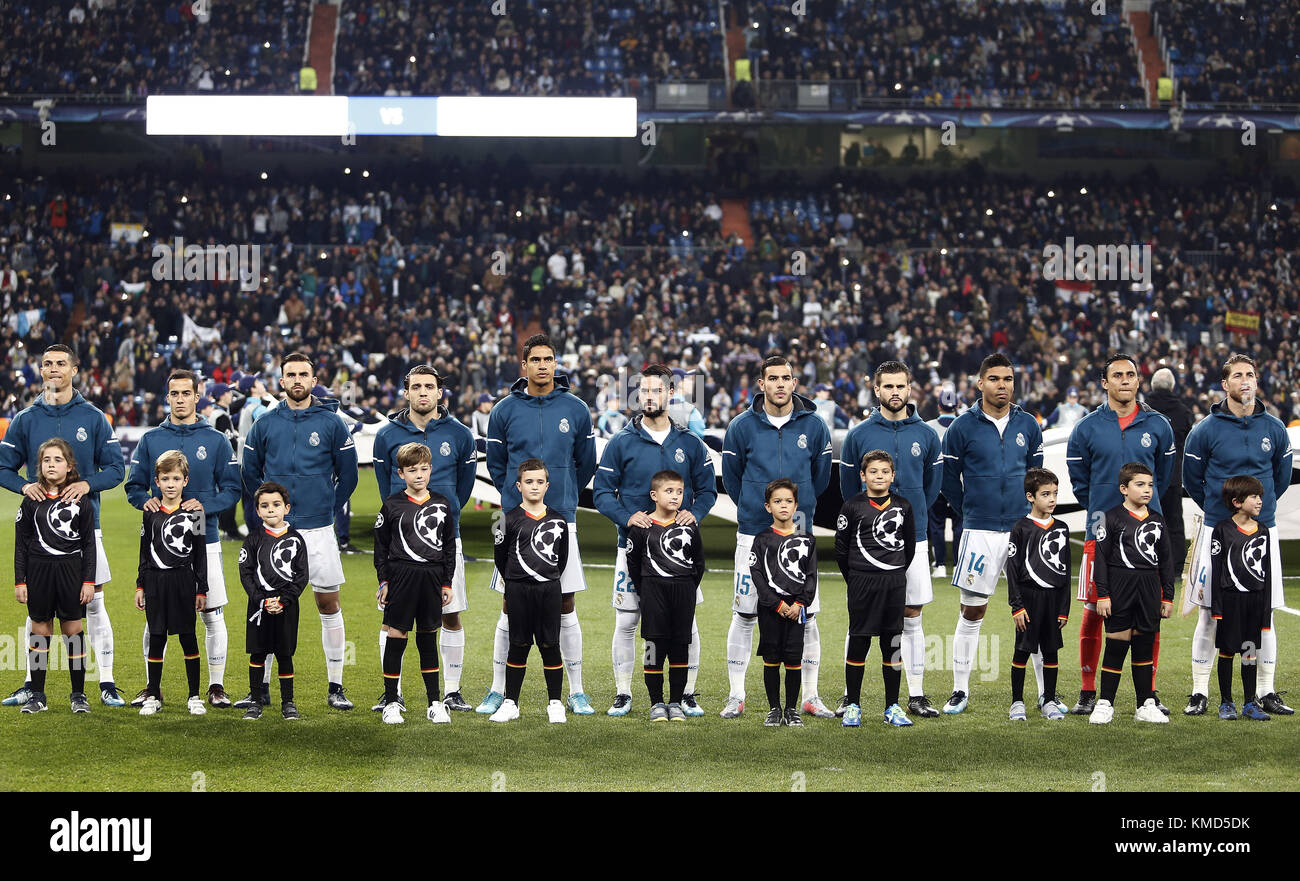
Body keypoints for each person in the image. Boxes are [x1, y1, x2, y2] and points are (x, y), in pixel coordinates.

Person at [0, 344, 126, 709]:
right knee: (37, 612)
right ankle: (30, 684)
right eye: (47, 364)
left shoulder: (94, 416)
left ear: (74, 370)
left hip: (85, 531)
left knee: (94, 604)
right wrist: (24, 485)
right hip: (39, 535)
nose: (53, 369)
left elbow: (116, 468)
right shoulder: (25, 418)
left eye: (60, 364)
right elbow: (4, 468)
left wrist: (88, 484)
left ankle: (105, 681)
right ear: (41, 371)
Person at [480, 335, 597, 716]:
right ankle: (498, 691)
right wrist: (515, 501)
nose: (543, 366)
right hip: (514, 521)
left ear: (556, 363)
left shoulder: (577, 409)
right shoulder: (503, 410)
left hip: (562, 518)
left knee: (565, 604)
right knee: (508, 604)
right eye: (536, 360)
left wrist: (560, 498)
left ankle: (576, 691)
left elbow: (586, 463)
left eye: (549, 359)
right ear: (524, 365)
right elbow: (497, 465)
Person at [593, 364, 716, 717]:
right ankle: (623, 693)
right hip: (632, 550)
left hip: (679, 555)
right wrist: (626, 517)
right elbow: (602, 492)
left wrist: (696, 514)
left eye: (657, 391)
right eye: (644, 392)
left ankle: (687, 694)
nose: (650, 397)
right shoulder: (620, 442)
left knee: (686, 623)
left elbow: (708, 490)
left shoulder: (690, 442)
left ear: (670, 394)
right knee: (628, 621)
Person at [241, 353, 359, 710]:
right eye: (290, 374)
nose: (297, 380)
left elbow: (349, 474)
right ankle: (260, 690)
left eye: (303, 374)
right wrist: (268, 513)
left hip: (318, 528)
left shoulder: (332, 422)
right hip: (274, 533)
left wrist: (327, 507)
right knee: (270, 604)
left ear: (313, 378)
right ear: (281, 381)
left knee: (327, 602)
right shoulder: (264, 423)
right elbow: (250, 473)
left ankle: (336, 686)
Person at [720, 355, 832, 719]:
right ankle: (736, 695)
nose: (780, 384)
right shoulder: (740, 427)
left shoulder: (815, 426)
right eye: (773, 378)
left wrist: (801, 511)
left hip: (799, 533)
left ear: (795, 383)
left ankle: (810, 696)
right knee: (745, 613)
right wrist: (755, 508)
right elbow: (733, 479)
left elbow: (821, 479)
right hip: (754, 532)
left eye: (786, 378)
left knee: (807, 616)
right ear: (761, 384)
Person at [1065, 354, 1175, 716]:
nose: (1125, 380)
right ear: (1105, 382)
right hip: (1101, 530)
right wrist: (1102, 509)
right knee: (1096, 609)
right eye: (1118, 375)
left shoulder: (1158, 425)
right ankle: (1087, 690)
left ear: (1139, 381)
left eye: (1131, 374)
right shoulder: (1086, 427)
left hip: (1146, 536)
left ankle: (1149, 693)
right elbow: (1079, 480)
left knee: (1150, 612)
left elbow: (1163, 474)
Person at [1183, 354, 1293, 716]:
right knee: (1208, 612)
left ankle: (1265, 691)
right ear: (1224, 385)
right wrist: (1225, 514)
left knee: (1264, 614)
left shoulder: (1274, 428)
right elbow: (1191, 482)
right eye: (1238, 376)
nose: (1245, 381)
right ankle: (1200, 692)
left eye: (1251, 375)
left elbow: (1280, 479)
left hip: (1264, 532)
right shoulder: (1205, 430)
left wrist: (1257, 513)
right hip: (1218, 530)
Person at [125, 369, 241, 709]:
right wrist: (142, 499)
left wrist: (205, 506)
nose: (179, 399)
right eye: (173, 394)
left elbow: (233, 488)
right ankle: (152, 688)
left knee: (211, 612)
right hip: (160, 548)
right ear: (167, 397)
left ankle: (216, 687)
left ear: (197, 395)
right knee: (155, 619)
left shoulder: (216, 439)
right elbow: (134, 486)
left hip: (204, 541)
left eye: (185, 393)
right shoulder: (150, 440)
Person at [836, 360, 942, 718]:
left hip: (914, 537)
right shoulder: (858, 435)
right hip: (867, 545)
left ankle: (915, 694)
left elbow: (932, 488)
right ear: (876, 390)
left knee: (911, 615)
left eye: (901, 386)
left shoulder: (926, 434)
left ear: (910, 389)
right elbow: (849, 490)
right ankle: (852, 698)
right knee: (861, 622)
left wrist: (910, 520)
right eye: (888, 387)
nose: (895, 392)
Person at [939, 353, 1044, 714]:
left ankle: (1046, 694)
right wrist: (969, 507)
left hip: (1022, 532)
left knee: (1036, 611)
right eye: (996, 379)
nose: (1003, 385)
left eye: (1009, 379)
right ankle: (960, 690)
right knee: (972, 611)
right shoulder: (960, 428)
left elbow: (1037, 477)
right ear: (980, 383)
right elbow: (948, 481)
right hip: (979, 530)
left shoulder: (1028, 425)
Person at [371, 366, 477, 713]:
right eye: (416, 387)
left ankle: (451, 691)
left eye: (429, 387)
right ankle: (393, 693)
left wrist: (445, 514)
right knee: (394, 621)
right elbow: (386, 487)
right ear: (406, 393)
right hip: (402, 547)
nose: (423, 392)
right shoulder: (387, 435)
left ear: (439, 392)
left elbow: (464, 486)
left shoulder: (460, 434)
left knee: (450, 614)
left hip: (444, 541)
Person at [373, 442, 455, 725]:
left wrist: (446, 582)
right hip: (401, 577)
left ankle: (435, 702)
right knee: (396, 636)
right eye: (412, 470)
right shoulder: (392, 505)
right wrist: (384, 580)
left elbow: (448, 548)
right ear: (400, 473)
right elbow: (380, 547)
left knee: (428, 639)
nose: (418, 475)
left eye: (423, 469)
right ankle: (392, 702)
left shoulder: (442, 504)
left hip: (431, 578)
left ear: (431, 469)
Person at [12, 438, 95, 714]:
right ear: (39, 465)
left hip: (70, 571)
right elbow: (21, 544)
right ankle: (37, 695)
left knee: (73, 630)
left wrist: (88, 580)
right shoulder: (31, 500)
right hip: (39, 571)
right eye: (46, 460)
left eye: (57, 459)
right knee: (40, 630)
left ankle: (78, 694)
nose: (51, 464)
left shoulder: (79, 501)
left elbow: (88, 544)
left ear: (69, 466)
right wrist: (20, 580)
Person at [1088, 463, 1175, 725]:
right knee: (1116, 644)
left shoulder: (1158, 520)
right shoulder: (1110, 518)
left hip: (1148, 588)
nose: (1147, 490)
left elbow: (1167, 562)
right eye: (1140, 484)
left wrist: (1167, 596)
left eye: (1150, 485)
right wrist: (1103, 594)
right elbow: (1101, 560)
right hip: (1120, 586)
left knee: (1143, 647)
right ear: (1124, 489)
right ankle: (1105, 703)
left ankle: (1145, 703)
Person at [835, 451, 915, 728]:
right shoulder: (852, 506)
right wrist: (857, 577)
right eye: (873, 471)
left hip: (893, 583)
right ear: (862, 475)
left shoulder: (904, 506)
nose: (879, 476)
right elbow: (841, 549)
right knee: (859, 641)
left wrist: (892, 572)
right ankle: (853, 705)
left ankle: (892, 706)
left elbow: (910, 548)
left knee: (891, 644)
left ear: (893, 476)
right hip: (862, 583)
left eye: (884, 472)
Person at [488, 459, 571, 724]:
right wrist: (514, 581)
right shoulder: (504, 519)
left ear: (547, 485)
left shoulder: (559, 520)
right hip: (518, 589)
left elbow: (563, 558)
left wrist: (546, 578)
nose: (534, 487)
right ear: (518, 485)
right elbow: (500, 557)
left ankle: (555, 703)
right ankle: (510, 702)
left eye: (539, 482)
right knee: (518, 644)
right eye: (528, 482)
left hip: (548, 589)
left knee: (550, 644)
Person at [625, 470, 706, 722]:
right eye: (668, 491)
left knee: (680, 648)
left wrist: (687, 587)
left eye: (679, 492)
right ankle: (656, 702)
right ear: (654, 495)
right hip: (653, 592)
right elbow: (633, 563)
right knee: (654, 647)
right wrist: (647, 588)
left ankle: (675, 703)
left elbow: (699, 564)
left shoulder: (688, 525)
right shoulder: (642, 527)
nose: (674, 496)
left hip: (682, 592)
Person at [134, 450, 208, 716]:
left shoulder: (196, 514)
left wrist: (202, 588)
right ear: (157, 481)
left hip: (183, 581)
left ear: (185, 481)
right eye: (165, 478)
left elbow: (200, 554)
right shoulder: (150, 512)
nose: (170, 484)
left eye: (176, 478)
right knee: (156, 637)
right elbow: (144, 551)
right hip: (155, 581)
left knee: (188, 638)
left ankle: (194, 696)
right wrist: (140, 585)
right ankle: (153, 694)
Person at [1005, 468, 1071, 721]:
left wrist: (1064, 608)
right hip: (1029, 599)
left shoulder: (1062, 528)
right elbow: (1012, 570)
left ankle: (1049, 700)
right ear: (1030, 496)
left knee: (1051, 652)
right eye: (1046, 494)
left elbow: (1065, 574)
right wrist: (1017, 606)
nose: (1052, 499)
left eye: (1055, 493)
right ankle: (1017, 702)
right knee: (1022, 651)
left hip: (1053, 600)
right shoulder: (1021, 528)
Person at [750, 479, 818, 727]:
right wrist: (777, 604)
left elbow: (811, 577)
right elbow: (757, 576)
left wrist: (800, 603)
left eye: (788, 501)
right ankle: (774, 709)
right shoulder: (761, 539)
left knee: (793, 658)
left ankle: (791, 709)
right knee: (771, 658)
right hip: (772, 609)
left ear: (796, 505)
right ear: (768, 507)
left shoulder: (806, 539)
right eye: (777, 501)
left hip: (796, 609)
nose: (783, 506)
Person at [238, 482, 307, 721]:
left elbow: (301, 575)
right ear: (257, 511)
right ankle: (255, 702)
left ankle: (288, 703)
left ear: (286, 508)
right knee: (257, 654)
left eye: (276, 505)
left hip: (286, 607)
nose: (270, 510)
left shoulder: (296, 539)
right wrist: (261, 600)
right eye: (264, 506)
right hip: (260, 607)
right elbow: (245, 572)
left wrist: (285, 600)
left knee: (284, 655)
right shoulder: (253, 539)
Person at [1209, 475, 1275, 721]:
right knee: (1227, 652)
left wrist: (1265, 612)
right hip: (1230, 601)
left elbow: (1266, 573)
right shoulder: (1222, 530)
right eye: (1254, 497)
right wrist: (1217, 607)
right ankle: (1226, 703)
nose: (1259, 501)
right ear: (1237, 502)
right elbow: (1217, 571)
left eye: (1260, 496)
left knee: (1249, 652)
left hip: (1254, 602)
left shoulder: (1264, 531)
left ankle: (1250, 702)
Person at [1145, 368, 1194, 574]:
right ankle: (1175, 568)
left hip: (1146, 477)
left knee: (1145, 521)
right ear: (1173, 386)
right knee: (1174, 523)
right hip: (1173, 476)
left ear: (1152, 386)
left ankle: (1147, 562)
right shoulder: (1183, 411)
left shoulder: (1143, 410)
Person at [926, 386, 962, 579]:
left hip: (937, 484)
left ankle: (940, 565)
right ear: (956, 405)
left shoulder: (929, 426)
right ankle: (957, 564)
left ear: (939, 405)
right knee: (959, 527)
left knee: (937, 526)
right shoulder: (964, 424)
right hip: (958, 485)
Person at [206, 382, 245, 541]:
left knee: (224, 493)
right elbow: (228, 441)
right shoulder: (220, 416)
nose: (231, 395)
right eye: (228, 392)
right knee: (230, 493)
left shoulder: (218, 412)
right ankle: (230, 530)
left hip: (216, 459)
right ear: (222, 395)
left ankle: (225, 528)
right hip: (225, 461)